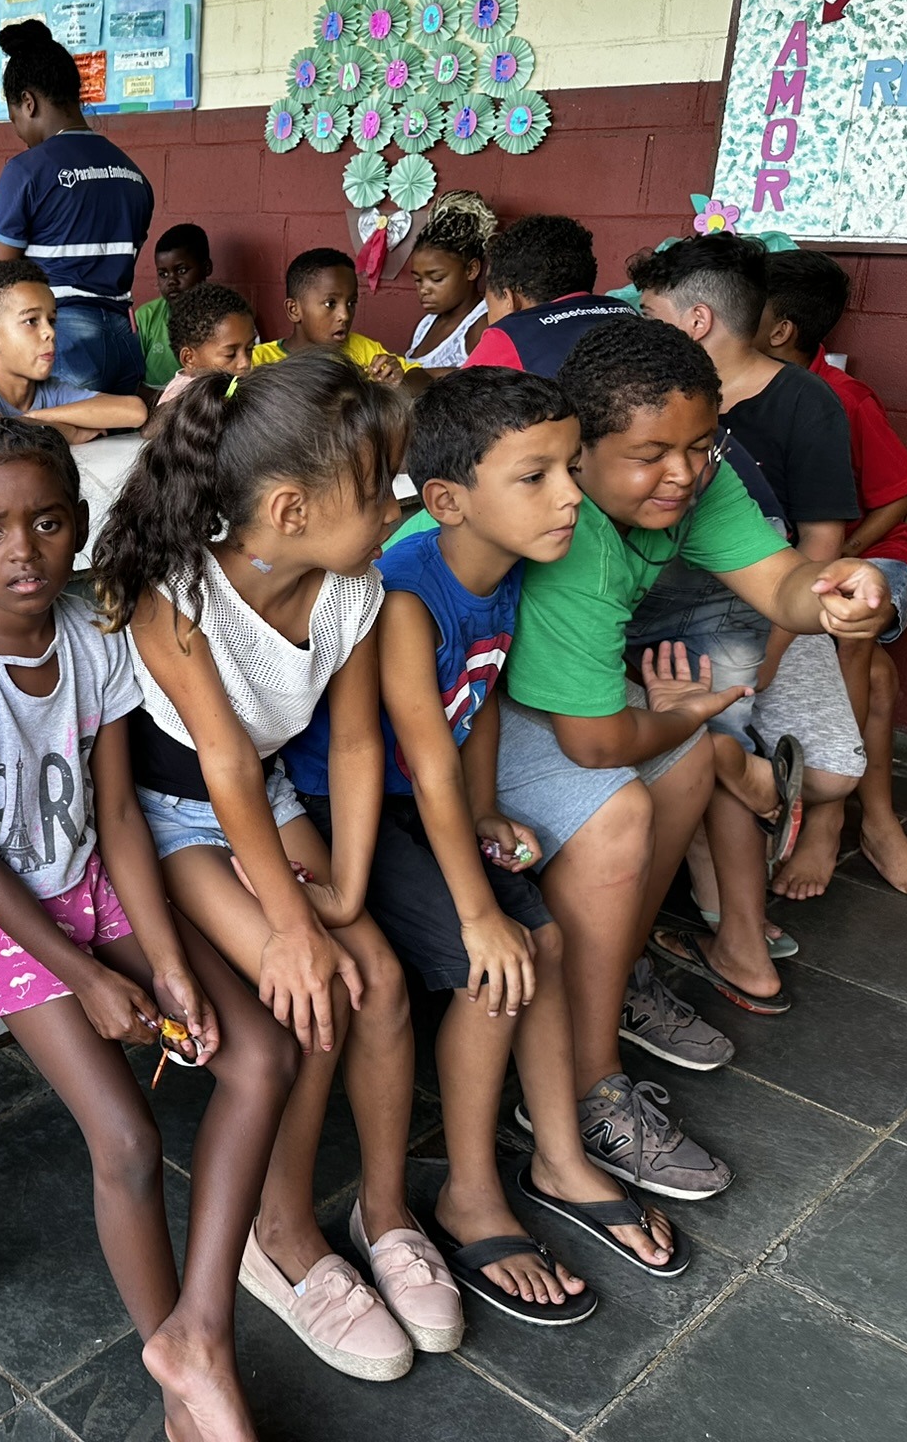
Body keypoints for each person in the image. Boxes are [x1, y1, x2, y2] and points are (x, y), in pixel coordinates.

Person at [0, 418, 293, 1441]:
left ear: (76, 527)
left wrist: (164, 963)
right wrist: (85, 977)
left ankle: (196, 1332)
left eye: (42, 524)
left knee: (258, 1053)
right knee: (123, 1135)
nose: (18, 551)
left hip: (91, 883)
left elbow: (117, 816)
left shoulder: (91, 635)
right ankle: (179, 1372)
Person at [90, 357, 458, 1382]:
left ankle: (382, 1211)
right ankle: (279, 1235)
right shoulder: (178, 601)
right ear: (290, 507)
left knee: (377, 977)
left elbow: (346, 747)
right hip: (177, 821)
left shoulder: (351, 587)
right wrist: (297, 929)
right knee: (319, 990)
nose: (396, 507)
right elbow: (216, 768)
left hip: (268, 805)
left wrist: (338, 889)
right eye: (382, 486)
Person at [495, 318, 893, 1196]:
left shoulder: (693, 483)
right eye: (650, 454)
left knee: (684, 764)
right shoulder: (577, 547)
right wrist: (690, 715)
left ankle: (613, 981)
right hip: (461, 727)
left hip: (542, 700)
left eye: (701, 447)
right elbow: (592, 743)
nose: (681, 473)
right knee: (628, 801)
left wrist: (830, 598)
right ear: (579, 452)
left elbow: (780, 581)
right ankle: (582, 1087)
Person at [321, 367, 684, 1323]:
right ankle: (469, 1189)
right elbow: (423, 765)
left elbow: (473, 712)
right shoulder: (404, 596)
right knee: (500, 964)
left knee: (549, 942)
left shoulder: (506, 570)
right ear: (447, 499)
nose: (570, 493)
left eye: (569, 466)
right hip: (346, 813)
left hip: (429, 805)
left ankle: (561, 1160)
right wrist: (478, 910)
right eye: (536, 476)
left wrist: (486, 813)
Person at [628, 233, 865, 1007]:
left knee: (787, 757)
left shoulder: (802, 405)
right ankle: (732, 916)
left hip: (753, 605)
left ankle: (717, 916)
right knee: (708, 736)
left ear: (695, 320)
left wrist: (750, 684)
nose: (685, 466)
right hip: (680, 604)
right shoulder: (644, 397)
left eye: (649, 312)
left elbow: (810, 565)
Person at [759, 249, 907, 905]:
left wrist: (840, 552)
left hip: (873, 554)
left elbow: (904, 494)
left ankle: (826, 816)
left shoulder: (842, 397)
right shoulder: (740, 387)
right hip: (793, 557)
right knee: (873, 673)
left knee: (847, 628)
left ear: (780, 327)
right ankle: (872, 824)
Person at [0, 22, 154, 396]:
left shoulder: (26, 170)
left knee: (57, 450)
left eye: (14, 118)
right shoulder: (134, 175)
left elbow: (1, 280)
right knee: (122, 450)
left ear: (28, 102)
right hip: (125, 340)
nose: (18, 131)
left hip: (62, 341)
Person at [0, 261, 146, 443]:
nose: (50, 332)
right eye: (31, 321)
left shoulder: (50, 391)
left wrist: (38, 418)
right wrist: (65, 432)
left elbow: (134, 411)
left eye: (52, 320)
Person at [462, 215, 634, 374]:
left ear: (509, 298)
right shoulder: (626, 311)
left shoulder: (509, 337)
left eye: (489, 301)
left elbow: (455, 401)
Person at [252, 249, 424, 389]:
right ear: (294, 310)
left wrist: (399, 380)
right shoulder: (260, 361)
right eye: (330, 304)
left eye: (351, 303)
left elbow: (423, 380)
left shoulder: (363, 350)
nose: (345, 315)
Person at [403, 192, 497, 370]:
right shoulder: (427, 324)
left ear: (471, 270)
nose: (424, 289)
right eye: (418, 279)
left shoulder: (482, 325)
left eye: (436, 279)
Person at [135, 224, 213, 389]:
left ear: (207, 268)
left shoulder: (227, 317)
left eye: (182, 270)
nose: (171, 281)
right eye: (163, 274)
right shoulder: (146, 317)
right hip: (155, 406)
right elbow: (130, 380)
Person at [155, 282, 256, 407]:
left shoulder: (229, 389)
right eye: (230, 354)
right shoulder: (183, 405)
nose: (245, 363)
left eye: (250, 349)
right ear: (189, 359)